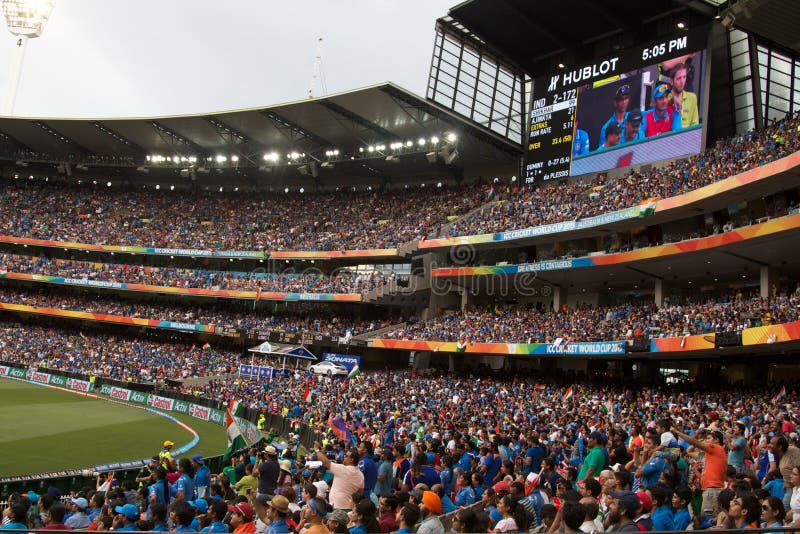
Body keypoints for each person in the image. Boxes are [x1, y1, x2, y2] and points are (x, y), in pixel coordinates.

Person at [673, 426, 727, 518]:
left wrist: (676, 432)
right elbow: (689, 451)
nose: (706, 441)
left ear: (717, 440)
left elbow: (693, 442)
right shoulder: (710, 454)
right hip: (708, 489)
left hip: (712, 490)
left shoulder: (717, 448)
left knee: (707, 519)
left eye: (709, 438)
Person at [314, 443, 364, 511]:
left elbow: (325, 462)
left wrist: (316, 450)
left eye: (346, 456)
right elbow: (360, 492)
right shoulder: (361, 475)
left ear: (351, 460)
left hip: (338, 507)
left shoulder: (342, 469)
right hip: (349, 507)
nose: (344, 456)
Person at [671, 62, 699, 128]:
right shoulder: (666, 99)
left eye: (684, 77)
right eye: (679, 78)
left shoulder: (692, 98)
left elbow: (695, 125)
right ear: (671, 81)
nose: (682, 82)